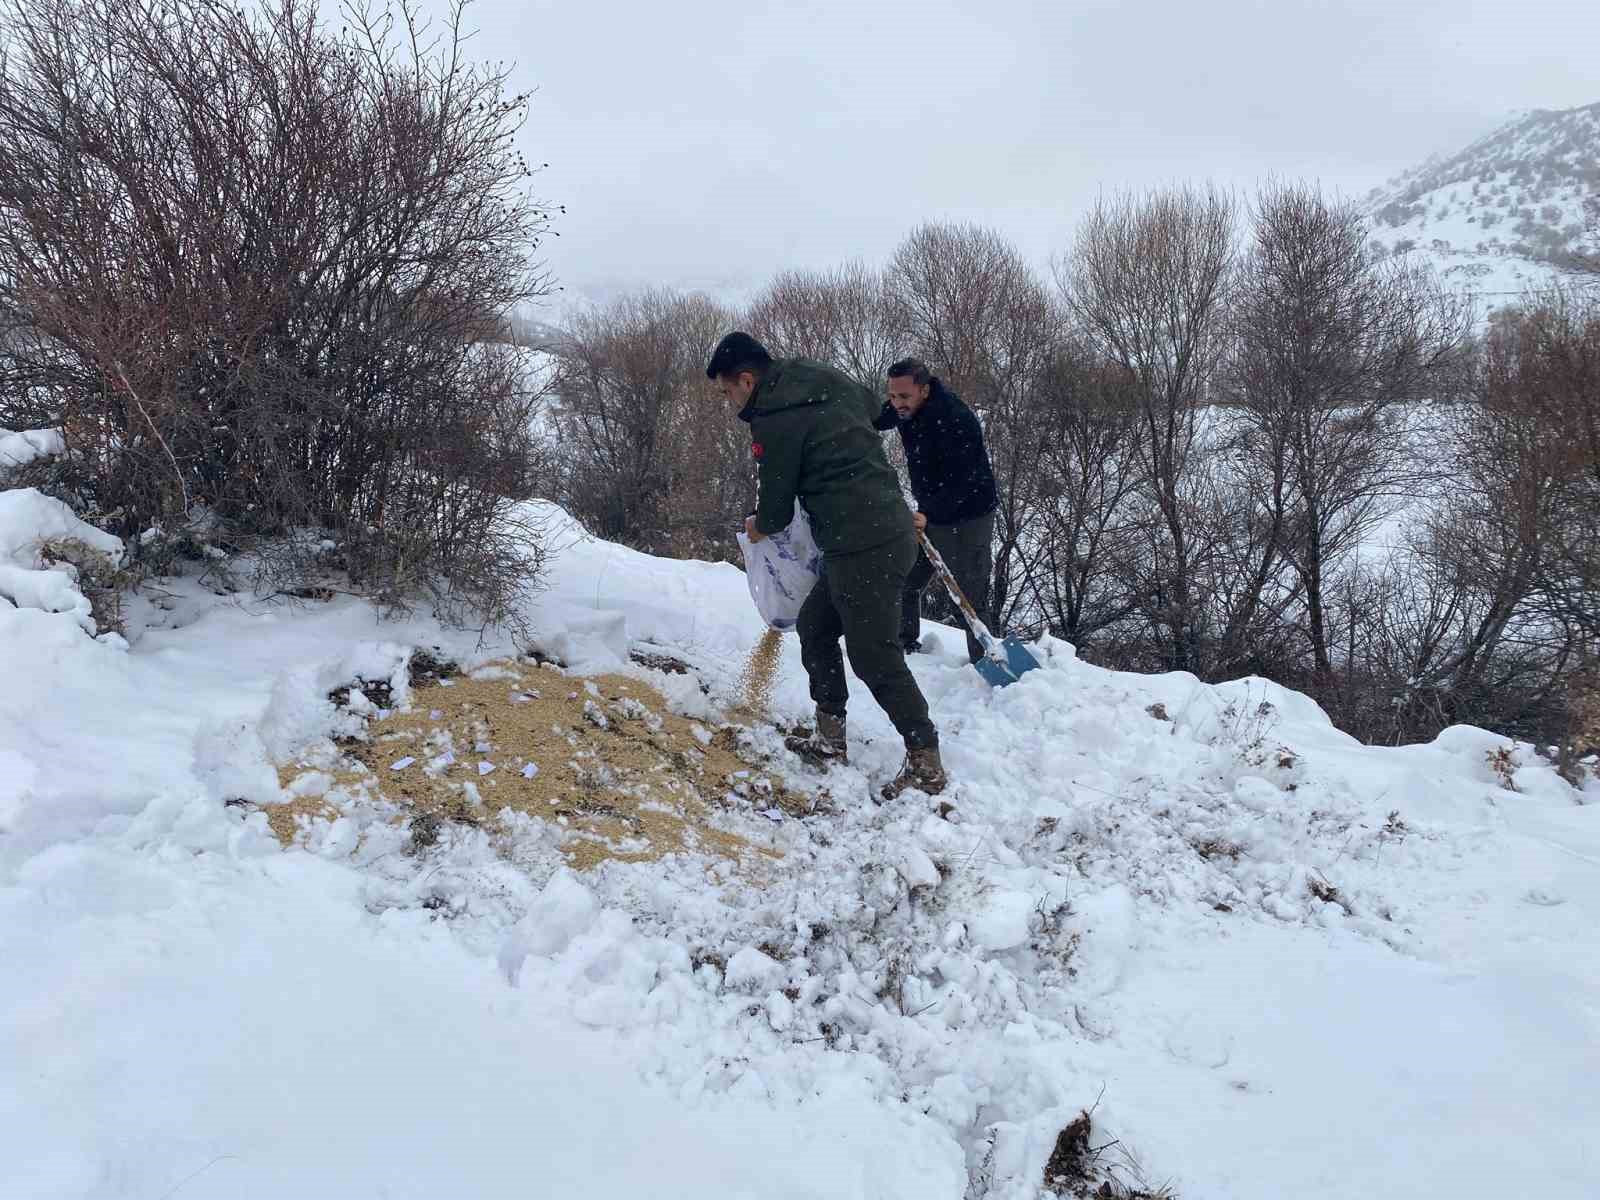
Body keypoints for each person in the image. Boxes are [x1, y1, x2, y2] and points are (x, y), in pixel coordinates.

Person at [707, 331, 947, 801]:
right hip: (872, 531)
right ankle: (829, 737)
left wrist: (758, 527)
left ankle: (926, 761)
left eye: (727, 391)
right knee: (816, 625)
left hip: (867, 543)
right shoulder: (818, 375)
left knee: (873, 655)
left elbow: (774, 513)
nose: (728, 402)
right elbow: (880, 414)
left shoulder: (773, 418)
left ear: (747, 380)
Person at [874, 358, 999, 664]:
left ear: (925, 390)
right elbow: (879, 417)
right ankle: (904, 644)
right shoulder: (905, 408)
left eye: (904, 397)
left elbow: (967, 481)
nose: (897, 404)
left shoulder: (955, 419)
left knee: (970, 597)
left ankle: (987, 663)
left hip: (969, 515)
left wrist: (931, 513)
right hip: (929, 512)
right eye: (892, 395)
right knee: (904, 577)